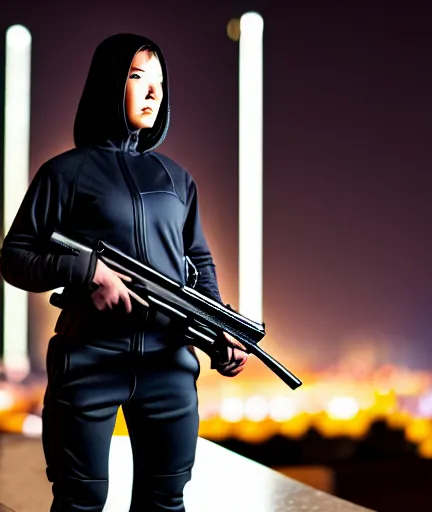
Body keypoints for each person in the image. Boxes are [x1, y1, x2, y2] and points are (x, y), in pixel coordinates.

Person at [0, 33, 247, 511]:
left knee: (165, 500)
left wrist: (223, 328)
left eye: (160, 82)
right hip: (88, 360)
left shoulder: (177, 179)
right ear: (110, 83)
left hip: (169, 364)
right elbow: (14, 256)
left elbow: (199, 262)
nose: (154, 93)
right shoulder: (64, 173)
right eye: (138, 78)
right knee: (81, 501)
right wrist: (87, 270)